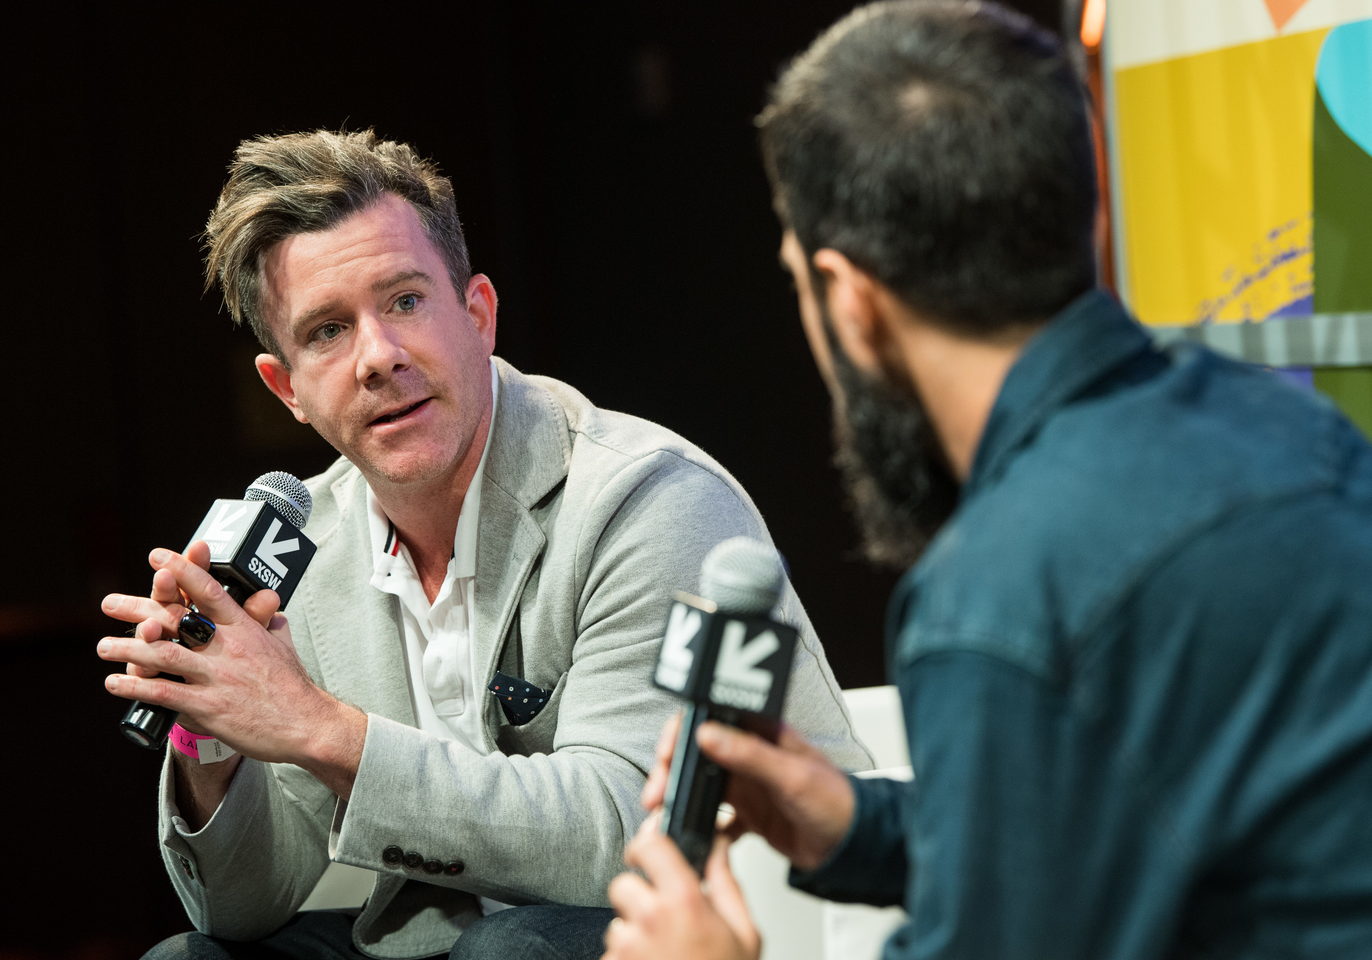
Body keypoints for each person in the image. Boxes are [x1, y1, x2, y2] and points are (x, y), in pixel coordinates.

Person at [602, 2, 1372, 958]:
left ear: (850, 301)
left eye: (800, 283)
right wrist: (854, 826)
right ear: (1087, 218)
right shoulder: (1286, 423)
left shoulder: (1004, 598)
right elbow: (1123, 823)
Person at [95, 128, 873, 960]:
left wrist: (320, 728)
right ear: (287, 387)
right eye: (326, 331)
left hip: (717, 926)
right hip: (454, 942)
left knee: (510, 951)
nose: (378, 357)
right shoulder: (305, 546)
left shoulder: (645, 499)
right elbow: (241, 908)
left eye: (404, 302)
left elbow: (621, 837)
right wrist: (208, 730)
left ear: (478, 315)